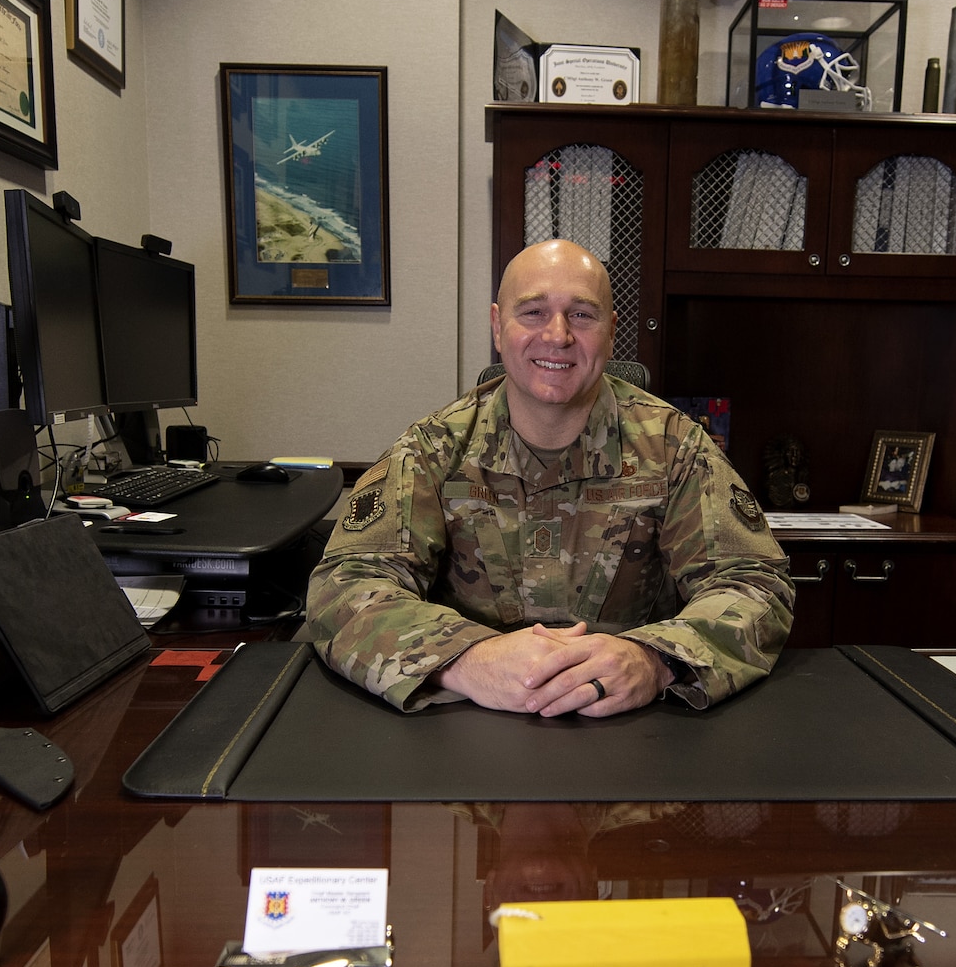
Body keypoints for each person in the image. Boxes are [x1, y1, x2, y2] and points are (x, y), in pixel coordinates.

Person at [304, 239, 794, 716]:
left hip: (637, 726)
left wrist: (656, 659)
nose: (557, 335)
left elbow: (754, 584)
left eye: (582, 315)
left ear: (610, 331)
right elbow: (345, 585)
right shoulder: (433, 449)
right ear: (498, 327)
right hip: (470, 725)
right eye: (533, 312)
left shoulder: (674, 446)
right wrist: (464, 659)